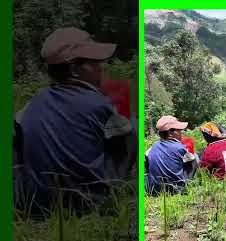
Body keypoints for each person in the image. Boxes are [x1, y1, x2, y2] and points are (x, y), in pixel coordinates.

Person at [14, 27, 136, 215]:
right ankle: (116, 186)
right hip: (87, 202)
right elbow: (123, 140)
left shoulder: (32, 104)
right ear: (74, 69)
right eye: (94, 63)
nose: (101, 67)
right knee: (131, 124)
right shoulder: (99, 104)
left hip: (35, 204)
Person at [145, 116, 198, 195]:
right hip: (175, 189)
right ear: (170, 133)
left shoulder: (153, 146)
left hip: (154, 190)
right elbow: (192, 163)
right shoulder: (180, 147)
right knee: (195, 157)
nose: (181, 133)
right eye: (179, 130)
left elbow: (146, 160)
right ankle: (186, 184)